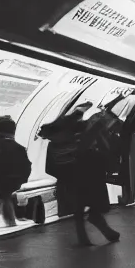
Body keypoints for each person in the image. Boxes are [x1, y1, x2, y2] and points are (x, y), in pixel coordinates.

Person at [39, 103, 120, 245]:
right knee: (93, 206)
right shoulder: (82, 139)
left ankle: (90, 236)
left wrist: (64, 177)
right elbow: (99, 153)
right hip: (89, 178)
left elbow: (49, 168)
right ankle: (103, 232)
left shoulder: (55, 144)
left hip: (71, 180)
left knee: (79, 209)